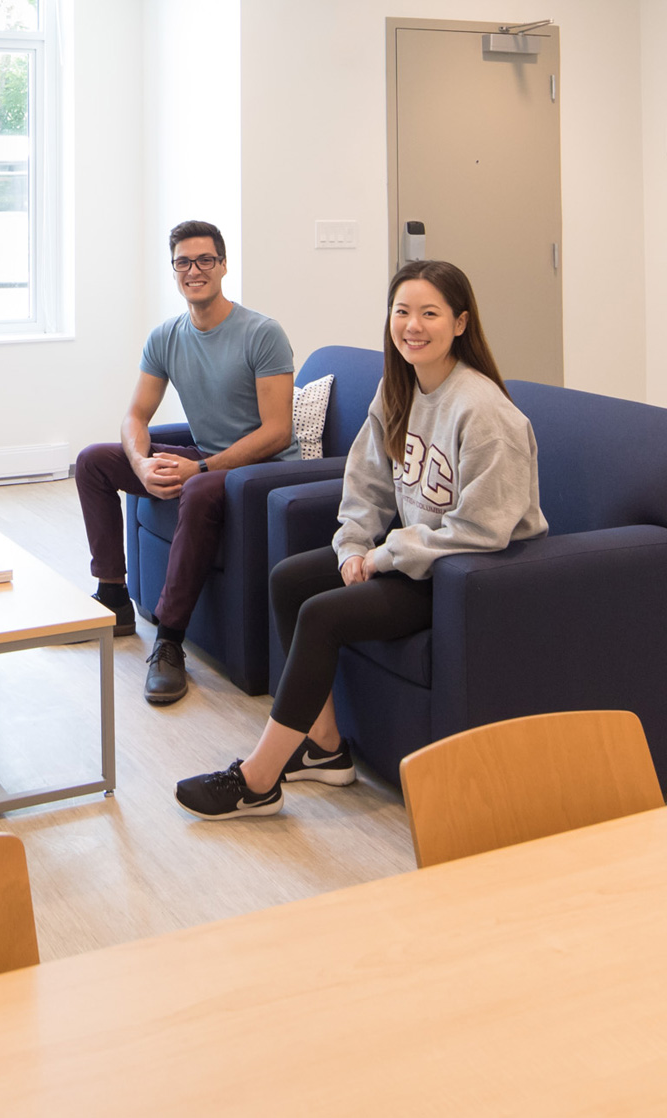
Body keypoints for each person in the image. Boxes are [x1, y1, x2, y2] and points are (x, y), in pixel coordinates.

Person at [175, 261, 547, 819]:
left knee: (323, 615)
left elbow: (482, 530)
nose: (412, 326)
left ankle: (258, 779)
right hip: (422, 553)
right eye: (402, 312)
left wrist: (385, 555)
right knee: (289, 579)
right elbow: (365, 484)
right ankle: (325, 748)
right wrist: (352, 546)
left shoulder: (485, 410)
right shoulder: (398, 389)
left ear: (461, 323)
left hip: (471, 572)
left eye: (430, 313)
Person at [75, 220, 297, 706]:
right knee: (92, 461)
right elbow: (135, 415)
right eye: (183, 262)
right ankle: (113, 598)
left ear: (222, 265)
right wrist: (140, 463)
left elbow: (278, 430)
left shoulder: (262, 333)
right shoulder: (167, 337)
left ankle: (170, 641)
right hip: (210, 459)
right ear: (173, 270)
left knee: (195, 487)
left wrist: (199, 469)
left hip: (264, 471)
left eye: (205, 260)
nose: (194, 270)